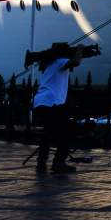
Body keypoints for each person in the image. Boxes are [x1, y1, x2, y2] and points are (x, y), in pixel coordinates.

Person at [33, 46, 83, 174]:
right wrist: (79, 49)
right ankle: (58, 163)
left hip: (41, 102)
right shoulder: (60, 61)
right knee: (66, 133)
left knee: (47, 134)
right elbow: (76, 62)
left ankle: (41, 162)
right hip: (52, 103)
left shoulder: (47, 65)